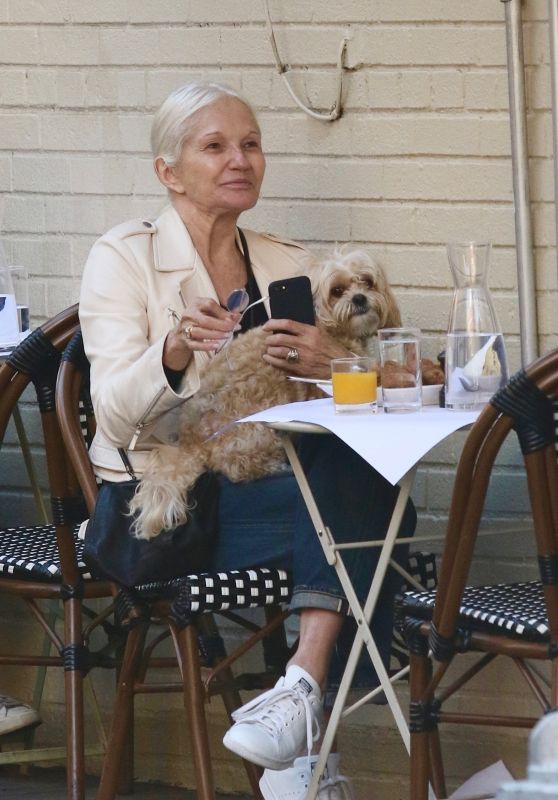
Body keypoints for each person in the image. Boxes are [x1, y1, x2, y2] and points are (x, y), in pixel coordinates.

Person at [79, 80, 416, 800]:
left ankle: (298, 699)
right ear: (168, 171)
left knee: (368, 481)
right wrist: (171, 351)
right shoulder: (124, 258)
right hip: (170, 506)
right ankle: (303, 750)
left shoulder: (286, 264)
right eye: (216, 146)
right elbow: (110, 417)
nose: (241, 159)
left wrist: (334, 365)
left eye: (252, 143)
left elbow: (335, 394)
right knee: (381, 517)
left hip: (272, 483)